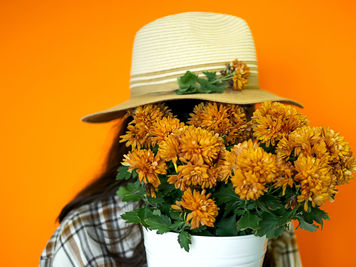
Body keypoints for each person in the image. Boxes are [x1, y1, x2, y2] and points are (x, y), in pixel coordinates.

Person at [40, 12, 304, 267]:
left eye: (240, 114)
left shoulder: (267, 215)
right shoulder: (85, 237)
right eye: (193, 115)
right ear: (147, 129)